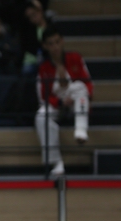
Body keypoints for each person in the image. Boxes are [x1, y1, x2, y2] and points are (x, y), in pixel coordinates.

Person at [35, 26, 92, 176]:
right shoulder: (44, 68)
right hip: (57, 102)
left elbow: (88, 84)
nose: (55, 47)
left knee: (80, 86)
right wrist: (60, 102)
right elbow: (43, 96)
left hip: (76, 100)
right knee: (41, 116)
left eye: (57, 42)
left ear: (62, 41)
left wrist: (72, 99)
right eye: (50, 44)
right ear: (45, 46)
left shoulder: (75, 58)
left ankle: (80, 130)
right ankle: (56, 162)